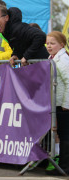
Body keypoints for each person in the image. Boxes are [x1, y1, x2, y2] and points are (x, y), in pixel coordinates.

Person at [45, 31, 69, 175]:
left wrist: (67, 103)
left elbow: (68, 82)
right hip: (56, 103)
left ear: (62, 45)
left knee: (65, 135)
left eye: (52, 43)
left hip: (63, 105)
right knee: (60, 133)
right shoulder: (52, 58)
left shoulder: (64, 60)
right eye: (47, 43)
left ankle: (65, 168)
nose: (49, 46)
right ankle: (62, 166)